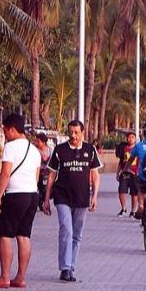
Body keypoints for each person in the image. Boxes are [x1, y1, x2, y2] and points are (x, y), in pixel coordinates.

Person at [0, 114, 39, 289]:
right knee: (24, 235)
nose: (5, 134)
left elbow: (5, 174)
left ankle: (5, 277)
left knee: (5, 235)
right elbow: (36, 177)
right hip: (32, 195)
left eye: (6, 131)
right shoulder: (35, 149)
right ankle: (20, 277)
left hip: (15, 194)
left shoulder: (11, 147)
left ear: (13, 130)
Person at [43, 120, 101, 282]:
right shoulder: (60, 150)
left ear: (83, 132)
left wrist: (95, 195)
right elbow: (52, 175)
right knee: (66, 230)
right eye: (71, 132)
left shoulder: (90, 150)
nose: (73, 135)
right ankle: (65, 268)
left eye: (76, 132)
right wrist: (47, 198)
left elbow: (95, 175)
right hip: (62, 196)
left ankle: (71, 266)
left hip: (82, 197)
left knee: (76, 234)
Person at [115, 131, 138, 217]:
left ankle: (133, 211)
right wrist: (117, 173)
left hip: (135, 173)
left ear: (135, 139)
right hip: (125, 173)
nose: (130, 139)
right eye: (129, 137)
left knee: (134, 193)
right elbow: (120, 162)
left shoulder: (138, 148)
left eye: (132, 137)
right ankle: (123, 209)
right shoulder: (123, 148)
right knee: (122, 190)